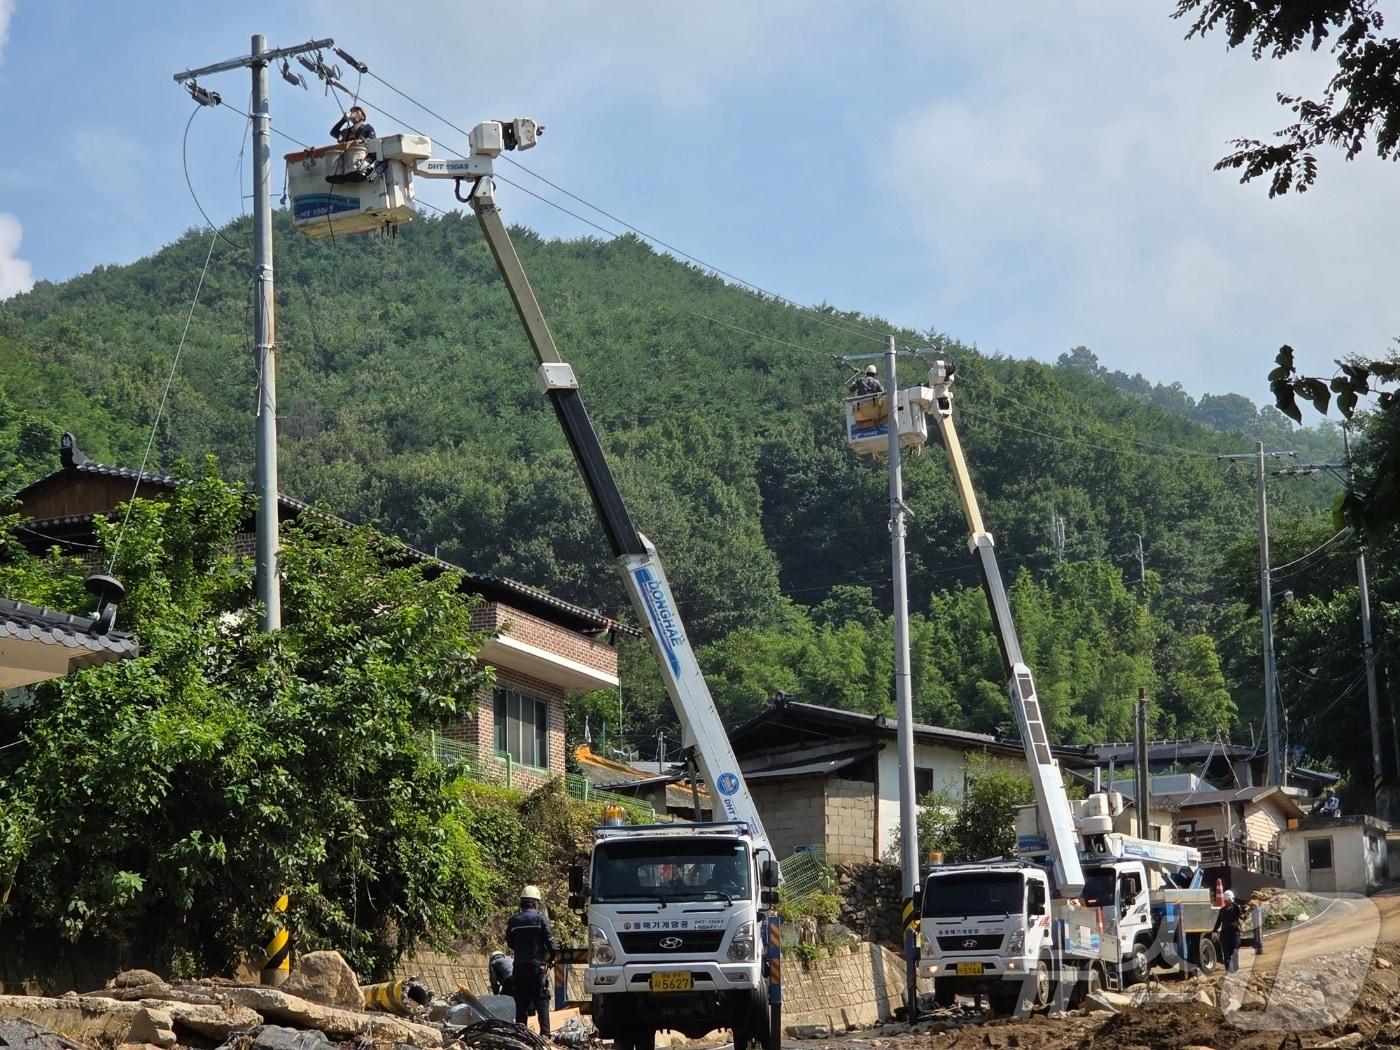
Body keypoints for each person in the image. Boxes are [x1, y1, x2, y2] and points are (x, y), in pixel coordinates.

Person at [505, 885, 558, 1034]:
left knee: (521, 1002)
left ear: (522, 903)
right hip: (537, 968)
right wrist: (551, 959)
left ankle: (522, 1035)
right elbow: (552, 945)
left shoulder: (514, 921)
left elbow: (510, 943)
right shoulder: (540, 920)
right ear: (536, 903)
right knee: (541, 1000)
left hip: (519, 968)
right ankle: (545, 1034)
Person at [1213, 888, 1243, 973]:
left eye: (1228, 899)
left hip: (1234, 934)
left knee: (1235, 951)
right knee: (1226, 953)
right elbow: (1218, 921)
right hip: (1225, 934)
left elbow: (1240, 913)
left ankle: (1235, 968)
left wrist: (1233, 902)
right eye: (1225, 900)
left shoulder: (1236, 908)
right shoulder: (1222, 910)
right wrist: (1214, 931)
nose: (1226, 901)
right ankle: (1229, 970)